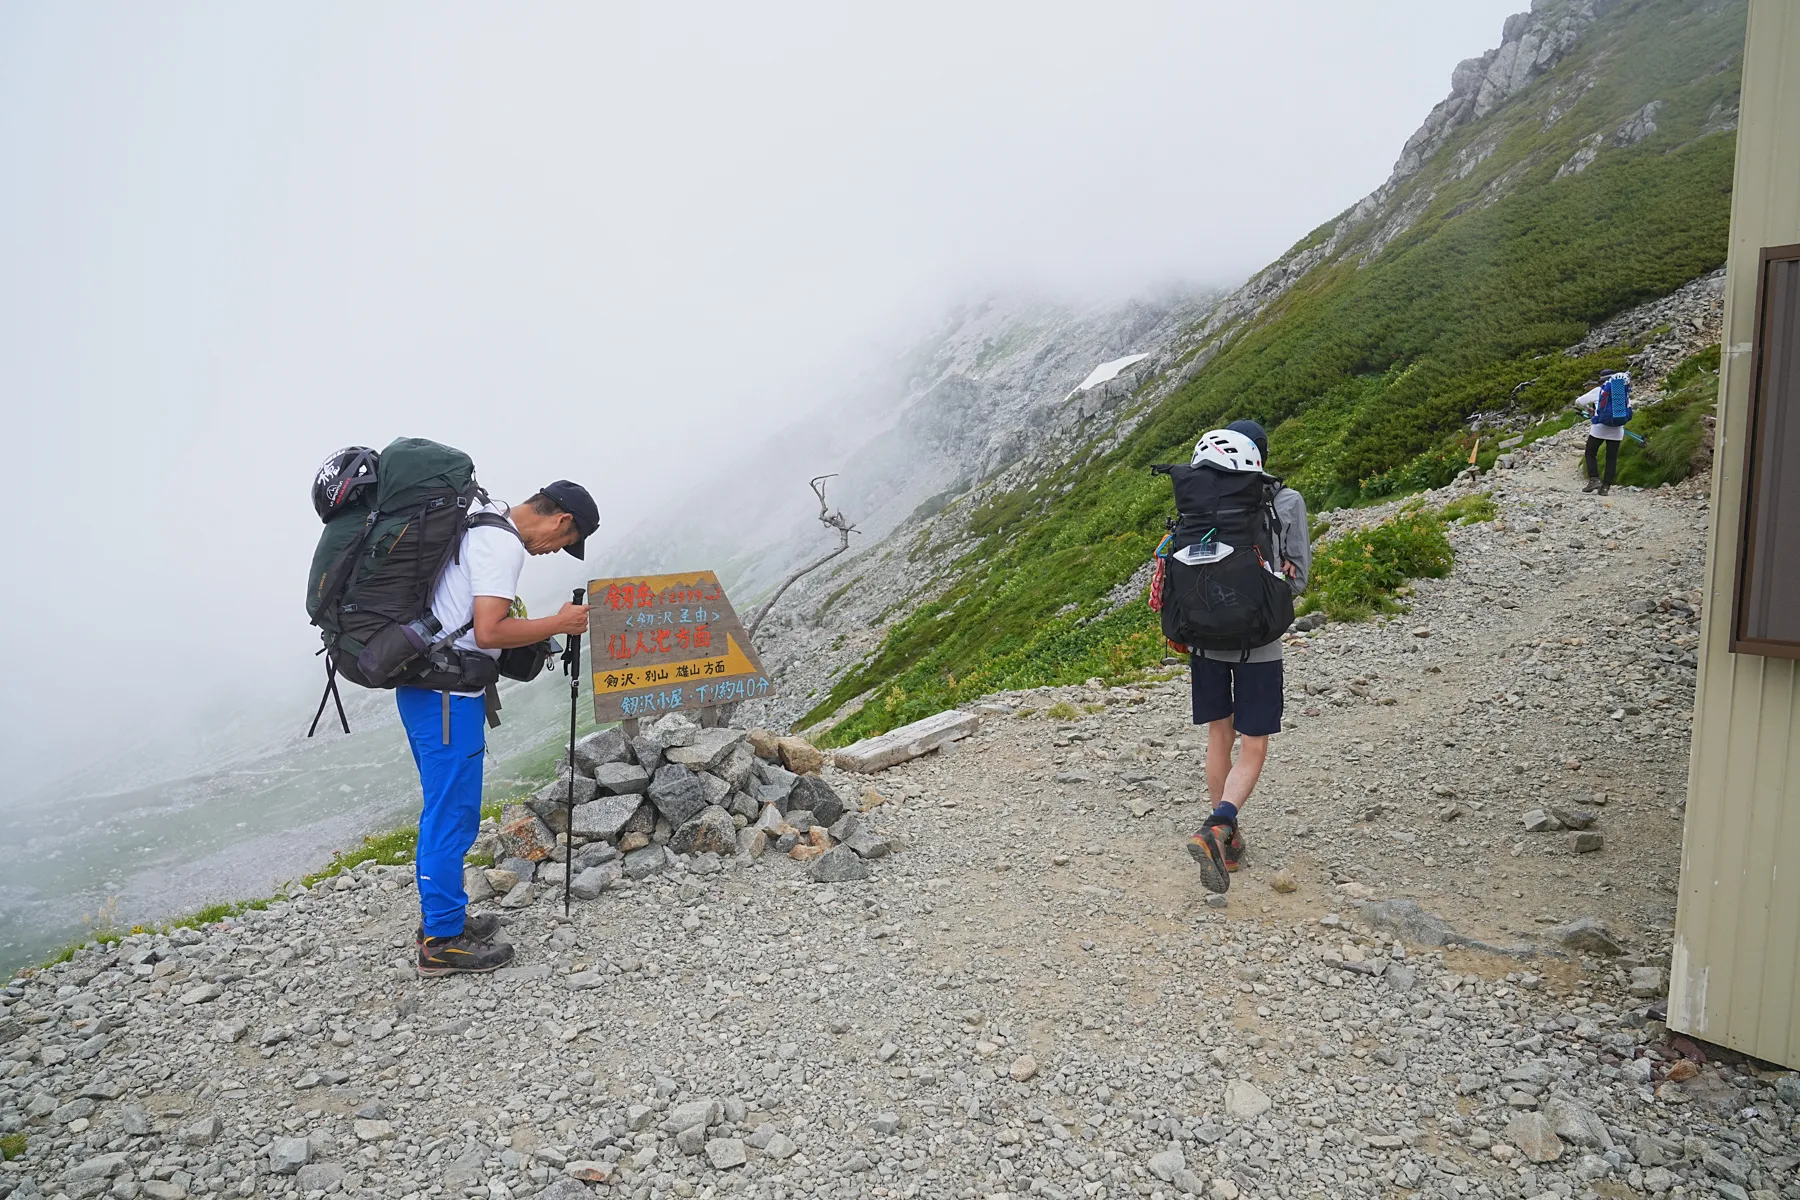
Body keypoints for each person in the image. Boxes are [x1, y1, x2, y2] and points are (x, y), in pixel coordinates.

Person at [408, 480, 599, 976]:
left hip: (435, 690)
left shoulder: (483, 519)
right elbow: (489, 629)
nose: (554, 551)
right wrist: (559, 623)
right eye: (564, 542)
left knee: (446, 808)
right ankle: (442, 943)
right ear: (560, 521)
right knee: (452, 815)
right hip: (447, 695)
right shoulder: (501, 544)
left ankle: (441, 918)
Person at [1184, 419, 1311, 893]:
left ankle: (1227, 847)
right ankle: (1219, 826)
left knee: (1221, 732)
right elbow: (1297, 580)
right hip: (1258, 637)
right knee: (1253, 743)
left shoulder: (1198, 500)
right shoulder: (1285, 500)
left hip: (1202, 636)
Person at [1575, 372, 1630, 494]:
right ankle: (1605, 487)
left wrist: (1589, 410)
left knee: (1590, 452)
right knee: (1611, 458)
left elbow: (1579, 402)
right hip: (1617, 430)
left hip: (1599, 429)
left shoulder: (1599, 391)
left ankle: (1594, 479)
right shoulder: (1623, 393)